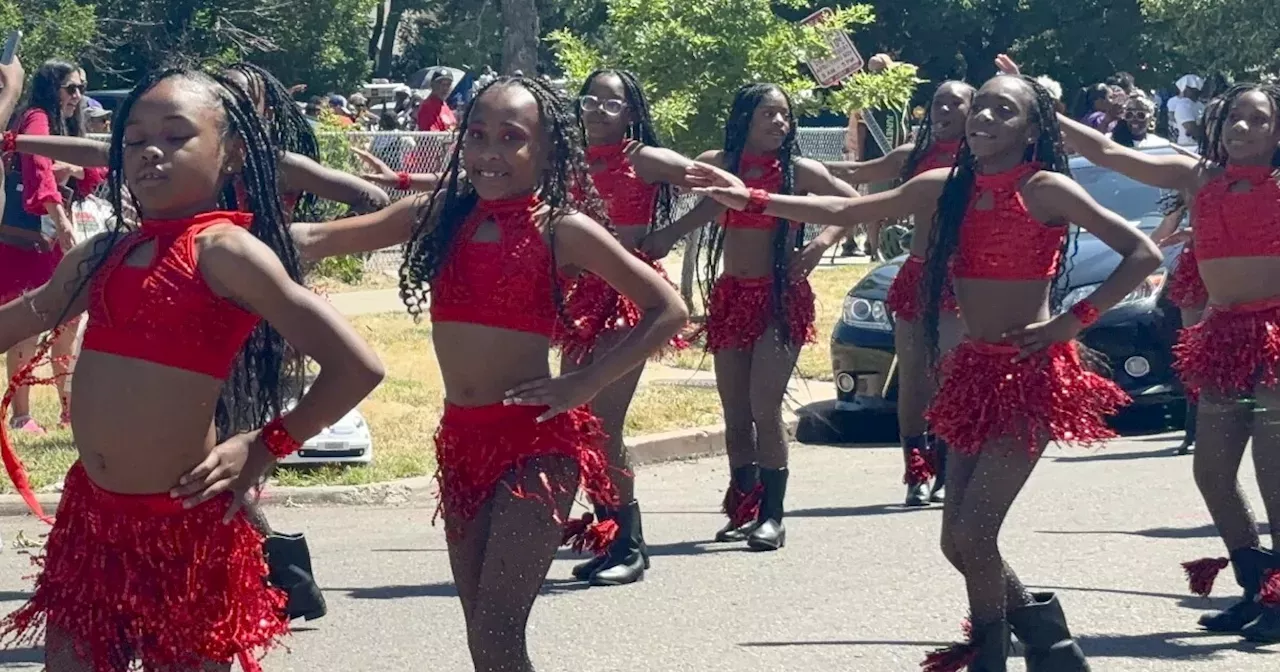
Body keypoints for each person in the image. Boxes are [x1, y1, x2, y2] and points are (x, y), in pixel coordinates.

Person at [689, 71, 1161, 670]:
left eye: (1004, 111)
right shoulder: (945, 186)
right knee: (953, 538)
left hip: (1030, 378)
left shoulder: (1047, 189)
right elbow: (844, 205)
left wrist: (1072, 322)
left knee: (974, 535)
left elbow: (1140, 253)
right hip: (972, 376)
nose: (985, 119)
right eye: (980, 108)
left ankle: (994, 653)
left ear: (1034, 127)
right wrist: (751, 198)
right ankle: (1044, 635)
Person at [290, 76, 687, 672]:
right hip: (462, 445)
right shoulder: (440, 215)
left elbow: (668, 309)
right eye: (476, 136)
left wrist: (586, 383)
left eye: (511, 137)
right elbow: (314, 240)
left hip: (535, 448)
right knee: (483, 637)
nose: (489, 153)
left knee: (499, 632)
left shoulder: (563, 229)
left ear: (548, 149)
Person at [0, 67, 384, 672]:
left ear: (231, 153)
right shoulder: (102, 252)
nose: (151, 151)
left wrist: (265, 442)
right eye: (134, 140)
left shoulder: (225, 251)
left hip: (185, 530)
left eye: (176, 136)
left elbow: (357, 366)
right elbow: (29, 315)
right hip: (92, 521)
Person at [1058, 81, 1280, 644]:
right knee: (1211, 472)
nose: (1243, 128)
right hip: (1225, 336)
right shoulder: (1197, 176)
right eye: (1234, 117)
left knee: (1275, 474)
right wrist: (1049, 111)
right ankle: (1258, 587)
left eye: (1258, 120)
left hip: (1277, 336)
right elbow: (1110, 154)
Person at [641, 83, 856, 552]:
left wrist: (819, 245)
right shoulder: (721, 164)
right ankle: (744, 507)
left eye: (784, 116)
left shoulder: (800, 170)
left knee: (764, 405)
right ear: (744, 119)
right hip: (733, 298)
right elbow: (706, 204)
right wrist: (666, 234)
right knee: (736, 413)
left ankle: (773, 516)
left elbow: (850, 205)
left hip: (781, 298)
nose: (780, 123)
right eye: (768, 115)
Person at [550, 69, 699, 586]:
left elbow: (721, 186)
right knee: (579, 422)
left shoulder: (644, 158)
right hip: (581, 302)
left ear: (631, 113)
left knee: (603, 425)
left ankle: (629, 548)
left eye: (610, 104)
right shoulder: (570, 162)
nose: (595, 109)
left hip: (628, 301)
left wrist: (671, 232)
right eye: (589, 100)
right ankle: (612, 539)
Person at [823, 80, 976, 506]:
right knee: (914, 376)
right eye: (938, 102)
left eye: (955, 103)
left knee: (952, 372)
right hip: (919, 274)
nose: (944, 109)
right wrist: (798, 165)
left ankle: (947, 464)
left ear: (972, 109)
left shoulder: (985, 159)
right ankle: (916, 471)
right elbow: (858, 174)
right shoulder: (913, 156)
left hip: (964, 279)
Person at [1, 59, 104, 434]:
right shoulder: (37, 118)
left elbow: (93, 169)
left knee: (69, 325)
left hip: (53, 241)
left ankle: (67, 409)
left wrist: (75, 169)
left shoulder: (68, 123)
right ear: (51, 87)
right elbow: (38, 169)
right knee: (28, 328)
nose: (78, 95)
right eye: (71, 88)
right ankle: (21, 415)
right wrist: (61, 221)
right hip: (27, 241)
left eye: (82, 87)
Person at [1168, 74, 1206, 147]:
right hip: (1188, 146)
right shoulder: (1183, 106)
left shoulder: (1200, 105)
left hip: (1200, 146)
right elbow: (1192, 129)